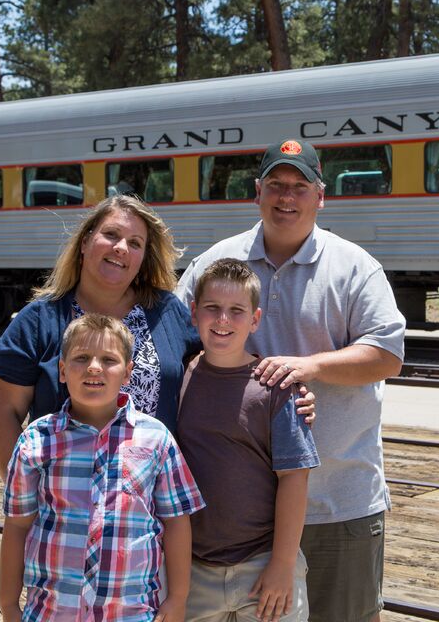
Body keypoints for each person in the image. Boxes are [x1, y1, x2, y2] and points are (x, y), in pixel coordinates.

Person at [176, 140, 406, 622]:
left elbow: (387, 355)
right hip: (240, 519)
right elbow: (178, 339)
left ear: (320, 197)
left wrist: (310, 367)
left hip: (336, 499)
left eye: (300, 187)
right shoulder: (216, 262)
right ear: (257, 192)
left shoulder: (354, 268)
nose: (287, 197)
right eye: (276, 185)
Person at [0, 313, 203, 622]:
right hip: (52, 613)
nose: (94, 367)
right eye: (82, 358)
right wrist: (9, 606)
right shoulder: (36, 440)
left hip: (131, 614)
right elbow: (17, 526)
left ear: (127, 374)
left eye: (108, 359)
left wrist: (177, 599)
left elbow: (176, 523)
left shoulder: (156, 439)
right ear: (63, 371)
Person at [0, 195, 200, 480]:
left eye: (135, 243)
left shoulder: (167, 312)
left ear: (143, 259)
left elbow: (217, 361)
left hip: (151, 499)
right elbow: (2, 412)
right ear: (85, 242)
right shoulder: (39, 320)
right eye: (111, 234)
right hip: (64, 500)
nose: (121, 247)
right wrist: (25, 494)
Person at [178, 259, 318, 622]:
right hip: (192, 568)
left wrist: (283, 564)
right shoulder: (179, 380)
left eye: (236, 311)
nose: (223, 319)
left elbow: (295, 478)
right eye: (212, 308)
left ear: (254, 319)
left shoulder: (276, 388)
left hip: (264, 564)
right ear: (194, 313)